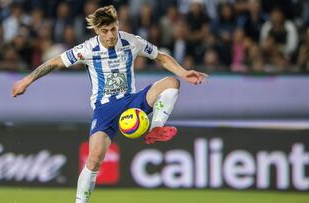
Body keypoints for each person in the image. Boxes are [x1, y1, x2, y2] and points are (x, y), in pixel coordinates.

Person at [12, 5, 207, 203]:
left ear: (118, 25)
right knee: (94, 159)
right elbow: (54, 62)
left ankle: (156, 129)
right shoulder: (87, 49)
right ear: (97, 31)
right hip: (104, 110)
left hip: (132, 102)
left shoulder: (131, 41)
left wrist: (183, 72)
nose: (110, 35)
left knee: (172, 83)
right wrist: (26, 81)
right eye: (105, 31)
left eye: (113, 29)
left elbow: (161, 57)